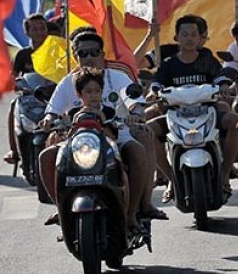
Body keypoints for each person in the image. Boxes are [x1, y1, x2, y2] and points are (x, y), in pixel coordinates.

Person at [39, 30, 165, 230]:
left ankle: (131, 215)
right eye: (83, 54)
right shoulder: (68, 82)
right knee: (46, 156)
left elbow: (134, 102)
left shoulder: (118, 77)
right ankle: (62, 212)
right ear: (74, 56)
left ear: (102, 53)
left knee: (137, 151)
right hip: (78, 141)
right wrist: (48, 120)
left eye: (94, 52)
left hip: (116, 137)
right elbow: (52, 111)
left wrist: (136, 112)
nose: (89, 58)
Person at [147, 15, 238, 203]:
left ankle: (225, 174)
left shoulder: (207, 60)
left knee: (234, 121)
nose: (189, 38)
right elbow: (157, 83)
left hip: (208, 113)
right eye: (185, 34)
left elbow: (219, 77)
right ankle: (171, 179)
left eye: (193, 35)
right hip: (175, 116)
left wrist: (223, 86)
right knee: (148, 131)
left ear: (200, 38)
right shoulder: (168, 64)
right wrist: (155, 91)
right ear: (176, 38)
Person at [4, 13, 50, 164]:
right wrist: (15, 85)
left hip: (51, 96)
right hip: (29, 98)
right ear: (27, 33)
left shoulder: (56, 51)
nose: (39, 33)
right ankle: (14, 150)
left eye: (42, 28)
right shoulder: (23, 55)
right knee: (13, 107)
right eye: (35, 29)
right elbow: (13, 76)